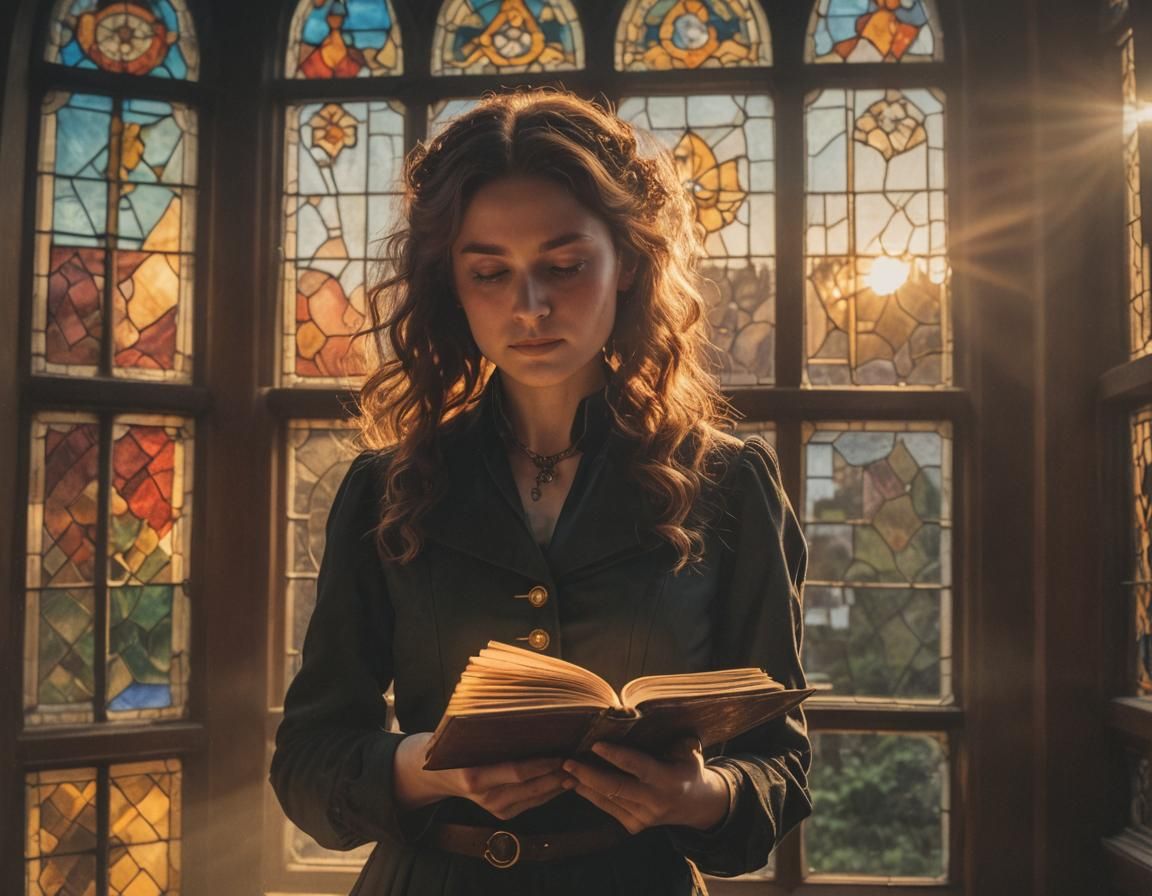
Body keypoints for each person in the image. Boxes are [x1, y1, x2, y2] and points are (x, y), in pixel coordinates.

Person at [269, 88, 811, 896]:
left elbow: (782, 765)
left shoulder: (729, 483)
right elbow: (308, 763)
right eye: (490, 272)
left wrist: (705, 795)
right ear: (451, 283)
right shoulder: (386, 488)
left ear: (626, 262)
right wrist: (423, 770)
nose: (530, 307)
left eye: (563, 266)